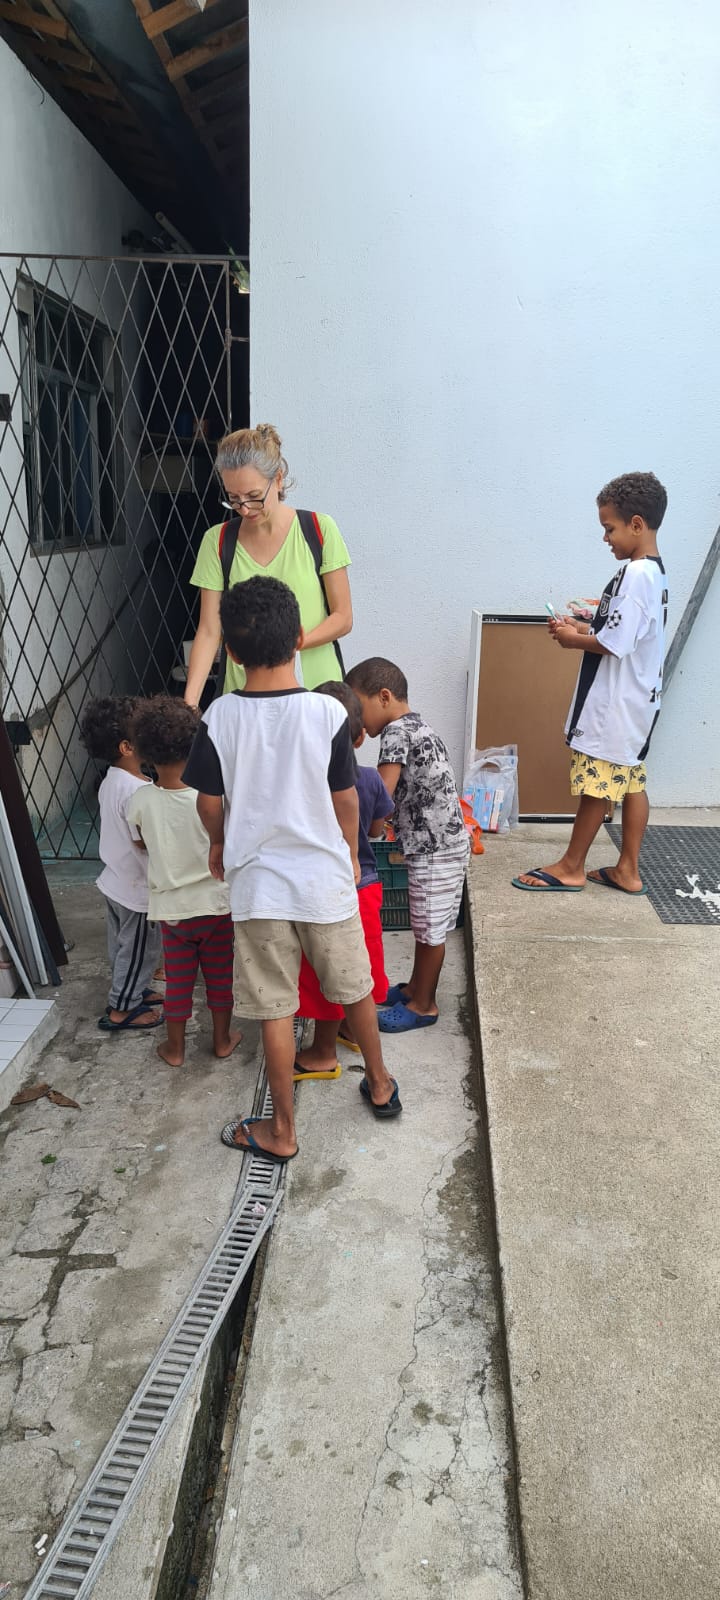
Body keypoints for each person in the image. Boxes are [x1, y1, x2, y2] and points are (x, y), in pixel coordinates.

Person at [183, 575, 402, 1164]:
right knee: (354, 986)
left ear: (231, 652)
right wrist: (349, 851)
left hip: (259, 889)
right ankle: (381, 1083)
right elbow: (345, 798)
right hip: (325, 882)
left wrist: (217, 843)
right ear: (301, 637)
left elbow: (208, 801)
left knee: (275, 1007)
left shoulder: (220, 716)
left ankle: (281, 1130)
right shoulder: (327, 713)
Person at [512, 470, 668, 895]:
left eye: (609, 529)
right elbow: (628, 629)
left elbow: (616, 643)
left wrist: (572, 640)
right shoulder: (653, 572)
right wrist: (583, 623)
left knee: (597, 787)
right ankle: (627, 869)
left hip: (616, 705)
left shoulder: (636, 575)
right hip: (638, 701)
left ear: (637, 524)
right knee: (631, 781)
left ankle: (571, 866)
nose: (605, 538)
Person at [184, 423, 353, 704]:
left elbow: (343, 617)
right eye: (233, 499)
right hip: (244, 700)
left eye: (254, 497)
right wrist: (189, 704)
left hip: (318, 695)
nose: (244, 508)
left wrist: (289, 645)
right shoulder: (218, 541)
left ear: (278, 479)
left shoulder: (318, 529)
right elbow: (209, 630)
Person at [345, 658, 470, 1032]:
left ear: (383, 697)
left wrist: (361, 821)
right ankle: (416, 988)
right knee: (427, 924)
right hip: (446, 843)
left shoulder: (395, 733)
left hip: (433, 847)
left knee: (430, 930)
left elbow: (382, 793)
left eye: (359, 707)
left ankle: (423, 1005)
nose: (357, 719)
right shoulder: (420, 725)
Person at [126, 697, 242, 1069]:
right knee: (220, 979)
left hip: (173, 912)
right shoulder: (213, 799)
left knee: (177, 982)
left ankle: (175, 1049)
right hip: (216, 905)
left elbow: (140, 842)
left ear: (144, 752)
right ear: (195, 746)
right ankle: (222, 1040)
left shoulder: (140, 800)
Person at [293, 681, 393, 1080]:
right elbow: (377, 829)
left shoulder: (303, 784)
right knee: (360, 964)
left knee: (330, 973)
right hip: (365, 883)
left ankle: (322, 1051)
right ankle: (351, 1031)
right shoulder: (370, 779)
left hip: (323, 889)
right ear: (360, 736)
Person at [79, 696, 163, 1032]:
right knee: (140, 949)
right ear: (127, 747)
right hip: (136, 889)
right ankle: (122, 1008)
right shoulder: (138, 791)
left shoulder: (112, 779)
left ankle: (133, 988)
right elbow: (143, 841)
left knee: (122, 945)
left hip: (115, 879)